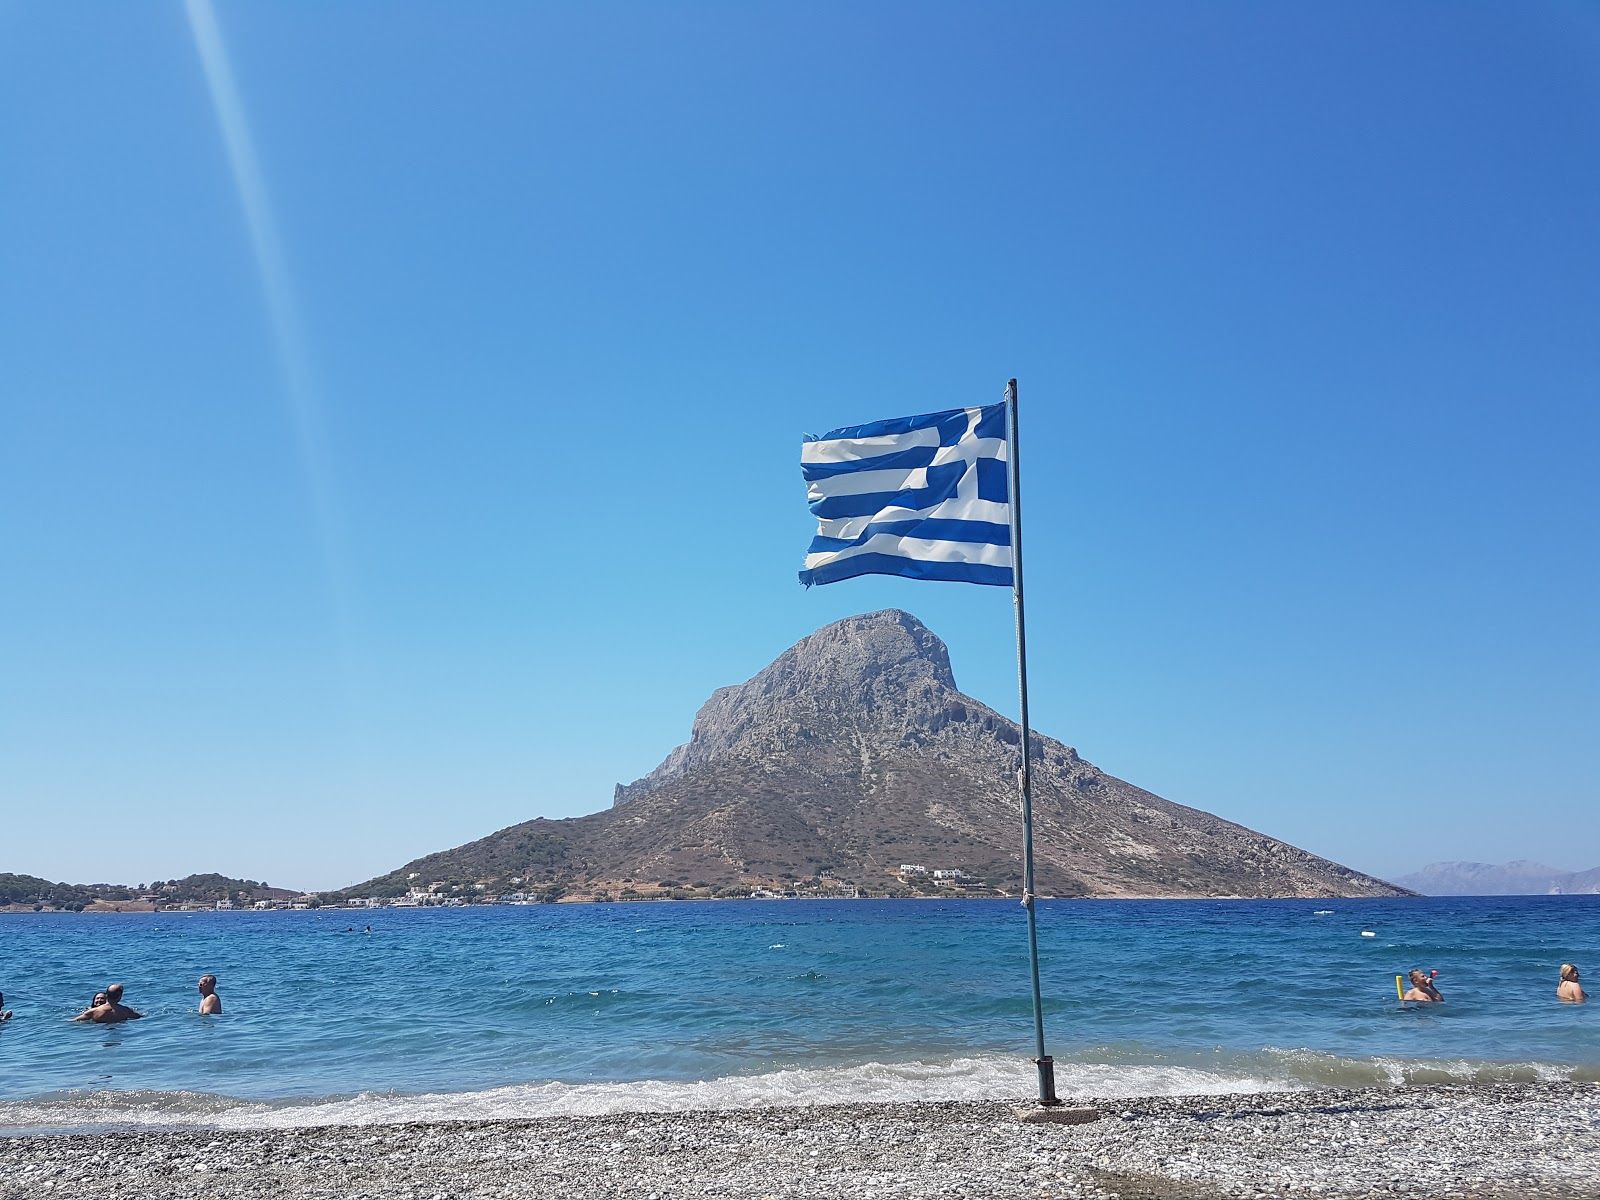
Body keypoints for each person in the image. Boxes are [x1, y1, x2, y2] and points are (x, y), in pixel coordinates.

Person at [73, 982, 143, 1023]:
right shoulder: (126, 1011)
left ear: (106, 995)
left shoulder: (94, 1011)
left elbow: (74, 1021)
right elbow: (140, 1017)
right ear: (120, 996)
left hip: (100, 1034)